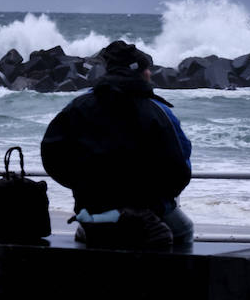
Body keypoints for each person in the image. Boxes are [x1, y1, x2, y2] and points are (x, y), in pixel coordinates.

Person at [40, 40, 193, 249]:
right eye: (147, 68)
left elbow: (52, 153)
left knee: (88, 230)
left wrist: (81, 186)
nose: (150, 73)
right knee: (184, 230)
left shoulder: (79, 105)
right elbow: (180, 169)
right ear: (140, 73)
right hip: (146, 211)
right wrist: (155, 201)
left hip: (93, 209)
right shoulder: (158, 111)